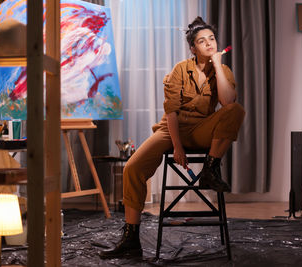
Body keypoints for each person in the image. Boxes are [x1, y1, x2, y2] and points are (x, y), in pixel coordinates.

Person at [99, 16, 245, 259]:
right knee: (132, 169)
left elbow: (228, 102)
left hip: (202, 129)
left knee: (236, 111)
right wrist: (177, 147)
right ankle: (130, 240)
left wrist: (218, 66)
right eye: (202, 41)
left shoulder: (223, 70)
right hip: (171, 129)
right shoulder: (180, 69)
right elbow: (172, 112)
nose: (209, 44)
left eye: (212, 39)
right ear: (193, 48)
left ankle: (210, 169)